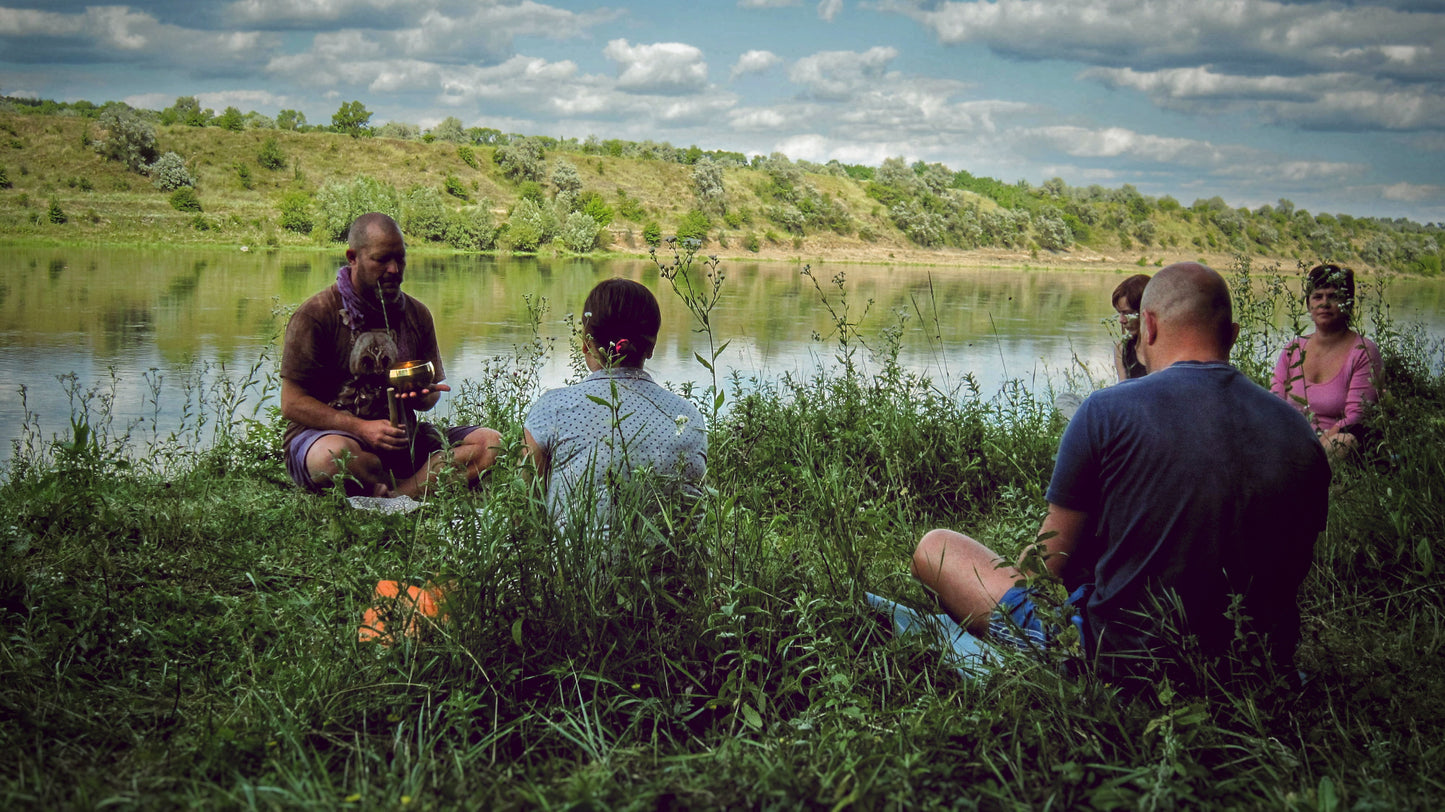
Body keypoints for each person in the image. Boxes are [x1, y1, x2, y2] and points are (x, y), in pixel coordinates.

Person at [911, 263, 1330, 686]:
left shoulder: (1106, 411)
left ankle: (1026, 647)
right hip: (1254, 665)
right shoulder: (1300, 433)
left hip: (1119, 663)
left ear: (1147, 326)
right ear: (1233, 334)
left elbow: (1045, 565)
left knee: (936, 548)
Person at [280, 212, 500, 499]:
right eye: (382, 259)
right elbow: (291, 403)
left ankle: (398, 494)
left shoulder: (417, 314)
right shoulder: (317, 314)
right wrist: (361, 428)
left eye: (400, 259)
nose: (394, 269)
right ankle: (405, 482)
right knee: (332, 458)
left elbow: (429, 399)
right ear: (353, 257)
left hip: (402, 439)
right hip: (329, 438)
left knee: (491, 444)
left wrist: (423, 393)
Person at [523, 277, 707, 530]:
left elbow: (527, 506)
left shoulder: (553, 409)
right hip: (674, 568)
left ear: (587, 344)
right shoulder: (688, 417)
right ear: (651, 347)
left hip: (577, 569)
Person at [1271, 264, 1383, 463]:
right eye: (1318, 296)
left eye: (1333, 296)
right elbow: (1274, 401)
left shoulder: (1363, 352)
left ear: (1348, 303)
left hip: (1332, 444)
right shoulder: (1292, 349)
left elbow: (1356, 417)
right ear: (1308, 304)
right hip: (1288, 439)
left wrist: (1314, 445)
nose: (1324, 303)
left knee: (1344, 441)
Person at [1112, 273, 1150, 382]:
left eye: (1127, 313)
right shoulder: (1122, 349)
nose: (1121, 320)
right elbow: (1123, 392)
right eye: (1119, 313)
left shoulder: (1170, 347)